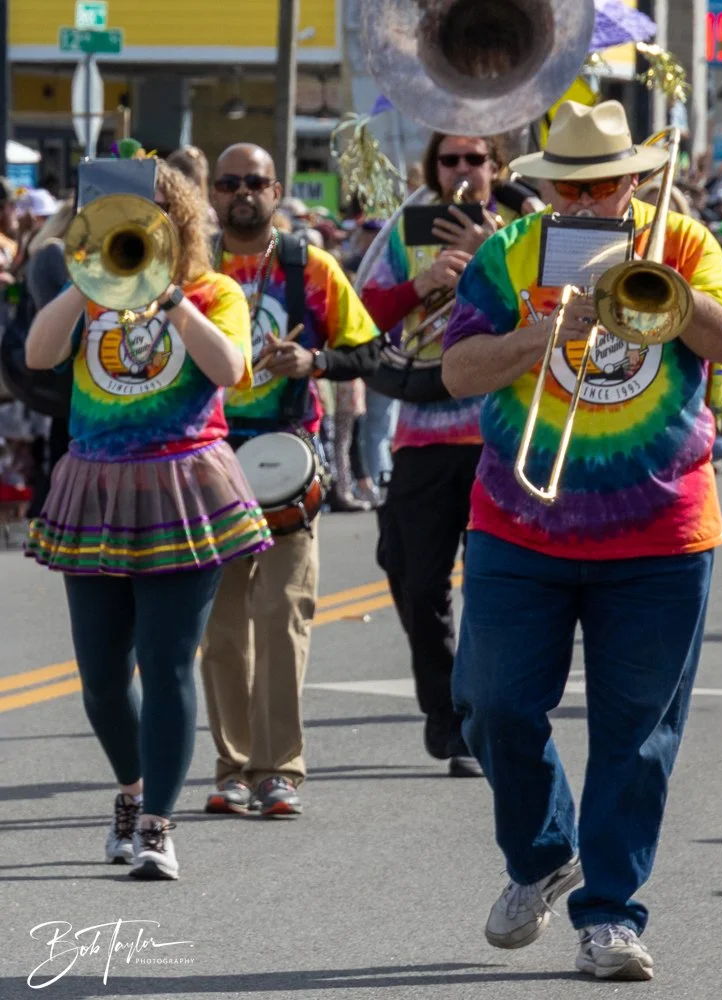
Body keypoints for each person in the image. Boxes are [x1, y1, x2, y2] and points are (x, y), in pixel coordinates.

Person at [441, 101, 722, 981]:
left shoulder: (682, 242)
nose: (588, 198)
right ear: (546, 186)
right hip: (519, 519)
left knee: (636, 732)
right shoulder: (511, 253)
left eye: (605, 182)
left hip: (661, 530)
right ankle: (544, 856)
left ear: (636, 180)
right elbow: (457, 370)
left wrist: (661, 284)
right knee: (492, 703)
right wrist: (540, 335)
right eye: (570, 185)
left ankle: (610, 913)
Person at [24, 156, 272, 881]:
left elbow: (229, 370)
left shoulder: (214, 289)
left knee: (166, 664)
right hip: (95, 486)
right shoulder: (88, 295)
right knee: (101, 677)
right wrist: (85, 282)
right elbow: (40, 353)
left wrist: (172, 299)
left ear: (176, 220)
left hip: (181, 485)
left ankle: (159, 822)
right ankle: (131, 790)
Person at [200, 142, 380, 818]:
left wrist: (313, 360)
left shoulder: (313, 268)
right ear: (213, 193)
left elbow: (367, 352)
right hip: (209, 461)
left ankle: (279, 769)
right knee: (219, 628)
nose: (241, 191)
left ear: (277, 190)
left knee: (280, 615)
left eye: (255, 181)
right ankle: (232, 767)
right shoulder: (192, 270)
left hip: (286, 462)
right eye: (228, 181)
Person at [362, 131, 523, 778]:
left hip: (501, 431)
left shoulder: (525, 224)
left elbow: (565, 311)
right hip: (424, 429)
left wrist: (491, 259)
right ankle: (445, 712)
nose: (463, 171)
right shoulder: (405, 231)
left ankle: (483, 711)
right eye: (450, 160)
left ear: (496, 167)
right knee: (415, 578)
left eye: (475, 160)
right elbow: (360, 315)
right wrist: (422, 282)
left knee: (500, 588)